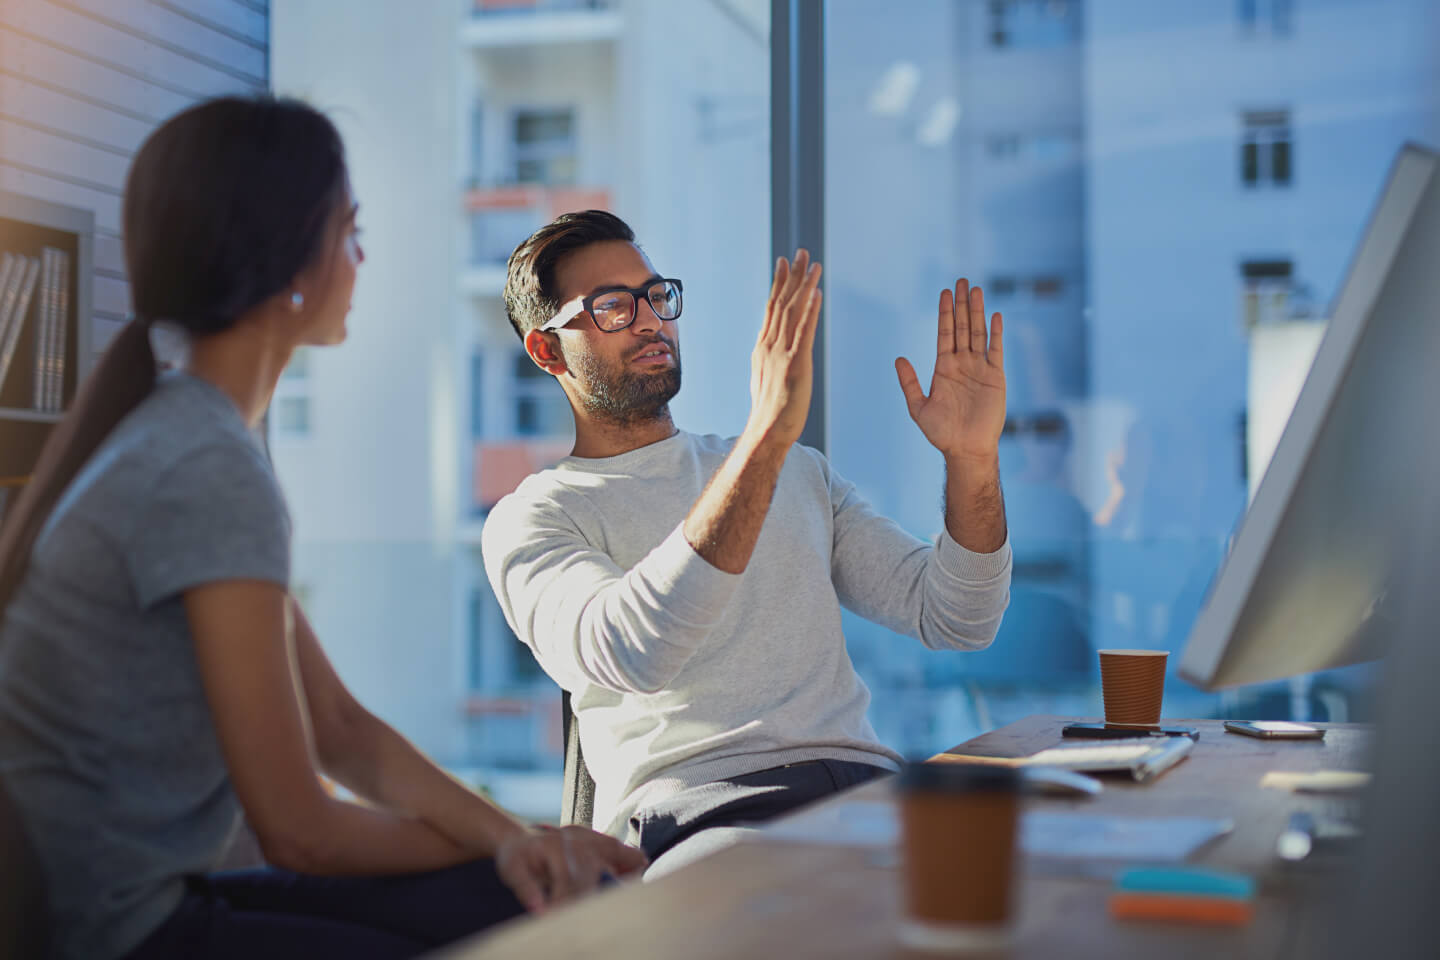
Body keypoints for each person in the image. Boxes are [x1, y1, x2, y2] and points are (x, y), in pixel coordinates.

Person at [0, 97, 644, 960]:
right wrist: (518, 846)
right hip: (129, 933)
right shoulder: (204, 466)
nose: (362, 256)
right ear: (289, 258)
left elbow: (336, 726)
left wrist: (515, 840)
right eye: (350, 230)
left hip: (160, 901)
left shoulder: (190, 435)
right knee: (537, 910)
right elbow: (299, 831)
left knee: (533, 894)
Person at [482, 210, 1013, 872]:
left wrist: (971, 460)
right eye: (613, 307)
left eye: (655, 296)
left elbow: (959, 616)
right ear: (547, 350)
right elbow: (632, 649)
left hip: (872, 797)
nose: (650, 320)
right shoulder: (535, 517)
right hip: (707, 819)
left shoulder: (795, 471)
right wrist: (766, 439)